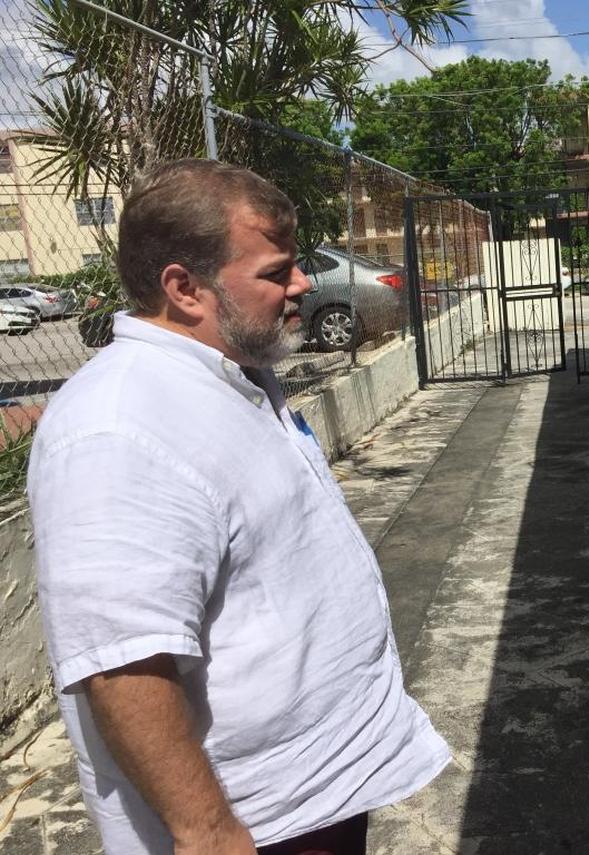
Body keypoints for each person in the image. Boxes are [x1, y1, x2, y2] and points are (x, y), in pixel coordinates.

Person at [28, 159, 450, 855]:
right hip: (255, 824)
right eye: (276, 271)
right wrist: (210, 831)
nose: (304, 283)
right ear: (184, 288)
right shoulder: (119, 425)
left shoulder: (233, 375)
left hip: (311, 795)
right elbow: (122, 661)